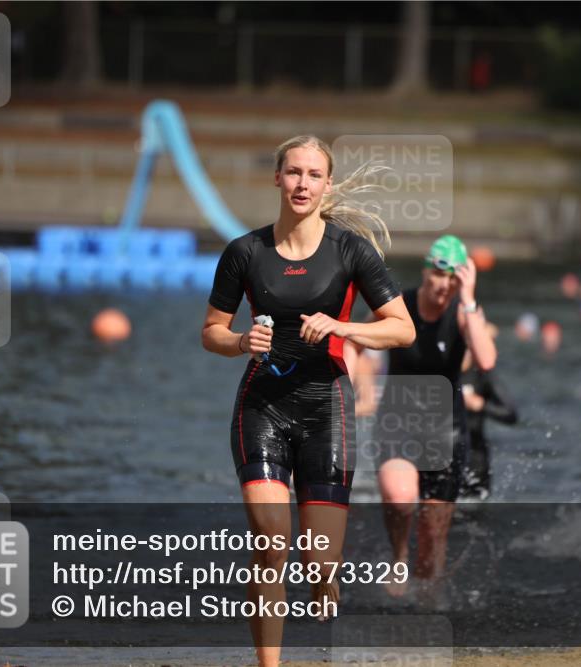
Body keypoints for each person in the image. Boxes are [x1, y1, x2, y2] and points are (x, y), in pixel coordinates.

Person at [201, 135, 415, 667]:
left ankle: (325, 581)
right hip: (263, 405)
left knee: (321, 561)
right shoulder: (245, 253)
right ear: (277, 178)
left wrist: (344, 326)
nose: (302, 183)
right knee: (272, 543)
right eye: (293, 172)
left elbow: (403, 330)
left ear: (327, 184)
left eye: (313, 175)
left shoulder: (350, 251)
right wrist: (238, 341)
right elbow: (211, 332)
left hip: (327, 408)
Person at [347, 234, 497, 597]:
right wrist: (353, 386)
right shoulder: (401, 306)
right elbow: (355, 342)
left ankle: (428, 601)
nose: (444, 286)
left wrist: (470, 298)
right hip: (397, 423)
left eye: (453, 280)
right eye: (439, 276)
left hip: (446, 432)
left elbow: (486, 359)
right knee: (400, 497)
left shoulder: (464, 313)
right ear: (426, 271)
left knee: (432, 538)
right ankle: (399, 556)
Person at [460, 321, 519, 500]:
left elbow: (511, 413)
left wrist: (480, 406)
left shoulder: (482, 375)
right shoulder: (441, 372)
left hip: (475, 462)